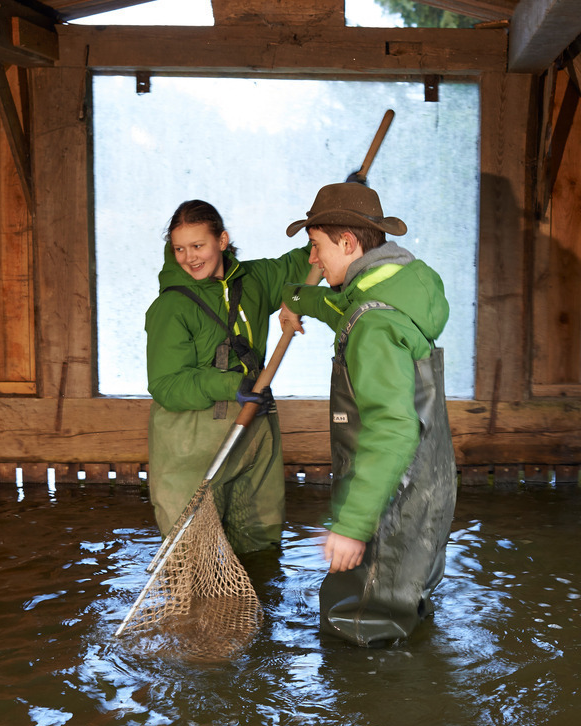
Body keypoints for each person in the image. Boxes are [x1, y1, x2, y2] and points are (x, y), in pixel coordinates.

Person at [280, 182, 457, 647]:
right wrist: (299, 299)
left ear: (348, 244)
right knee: (405, 615)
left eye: (316, 247)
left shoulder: (375, 326)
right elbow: (348, 311)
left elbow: (395, 427)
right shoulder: (396, 296)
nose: (313, 260)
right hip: (422, 495)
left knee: (362, 637)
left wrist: (353, 526)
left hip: (389, 504)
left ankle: (375, 715)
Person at [145, 200, 311, 552]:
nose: (189, 257)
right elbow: (166, 385)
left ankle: (257, 606)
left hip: (254, 429)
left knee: (260, 547)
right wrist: (232, 384)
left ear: (222, 240)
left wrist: (336, 214)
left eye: (198, 246)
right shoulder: (170, 306)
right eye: (179, 248)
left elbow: (311, 258)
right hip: (191, 447)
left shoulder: (254, 280)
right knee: (190, 556)